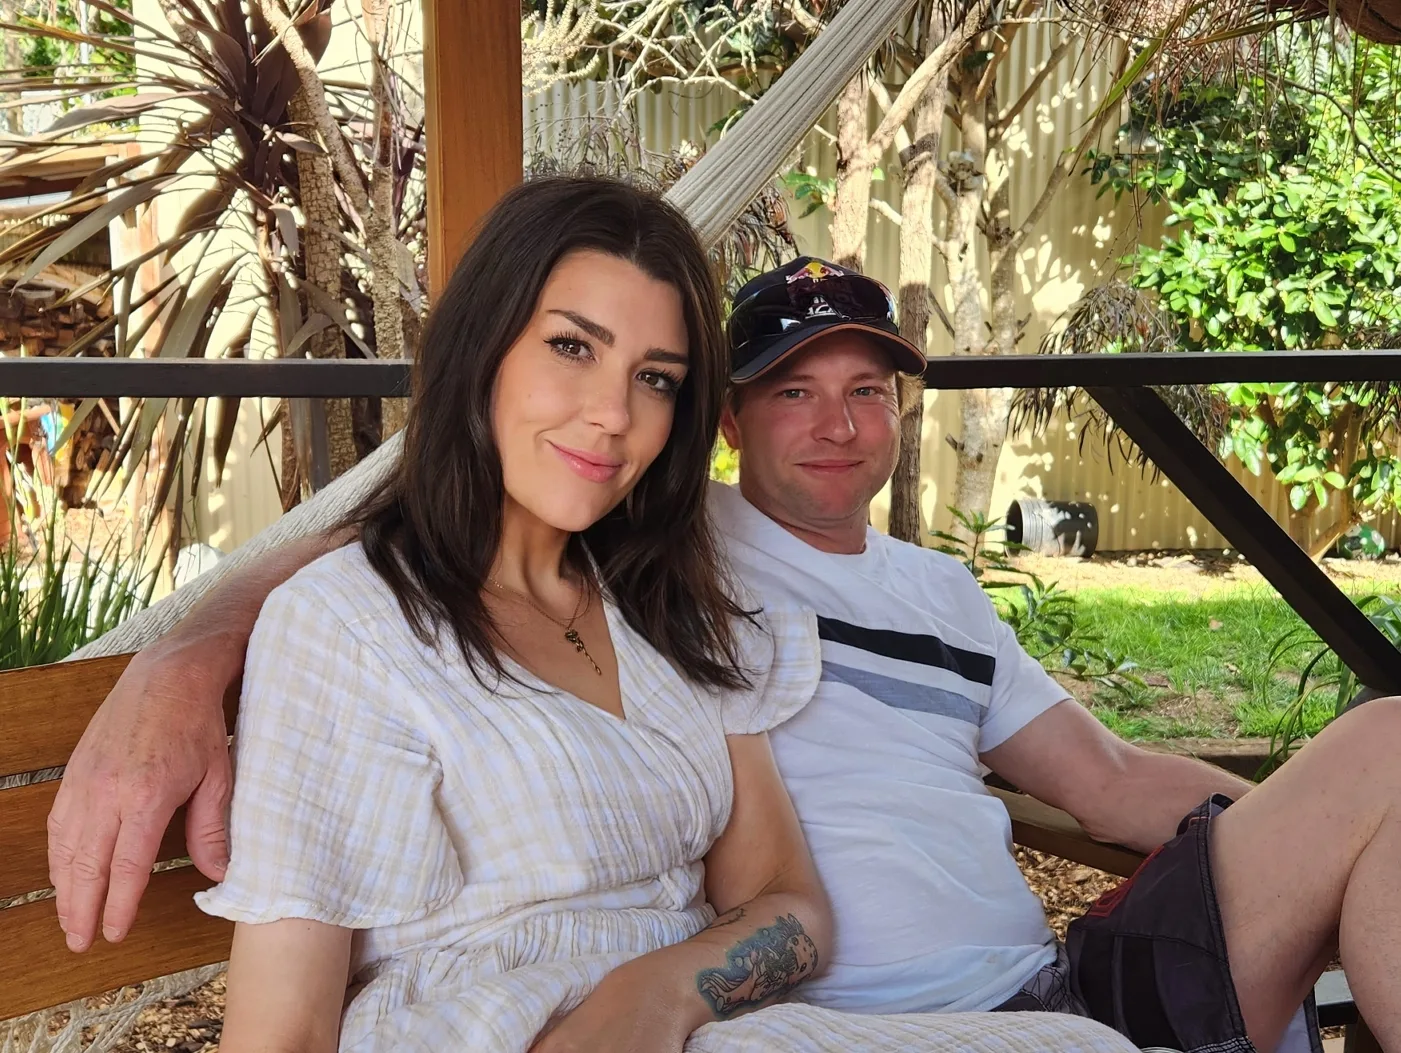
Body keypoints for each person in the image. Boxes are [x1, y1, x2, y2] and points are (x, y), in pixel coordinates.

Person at [48, 251, 1401, 1052]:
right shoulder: (657, 533)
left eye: (866, 391)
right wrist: (187, 649)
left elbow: (1105, 784)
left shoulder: (942, 594)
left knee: (1393, 755)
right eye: (793, 392)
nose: (836, 424)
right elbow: (410, 523)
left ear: (898, 416)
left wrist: (1310, 841)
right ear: (732, 423)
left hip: (1036, 988)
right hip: (822, 1018)